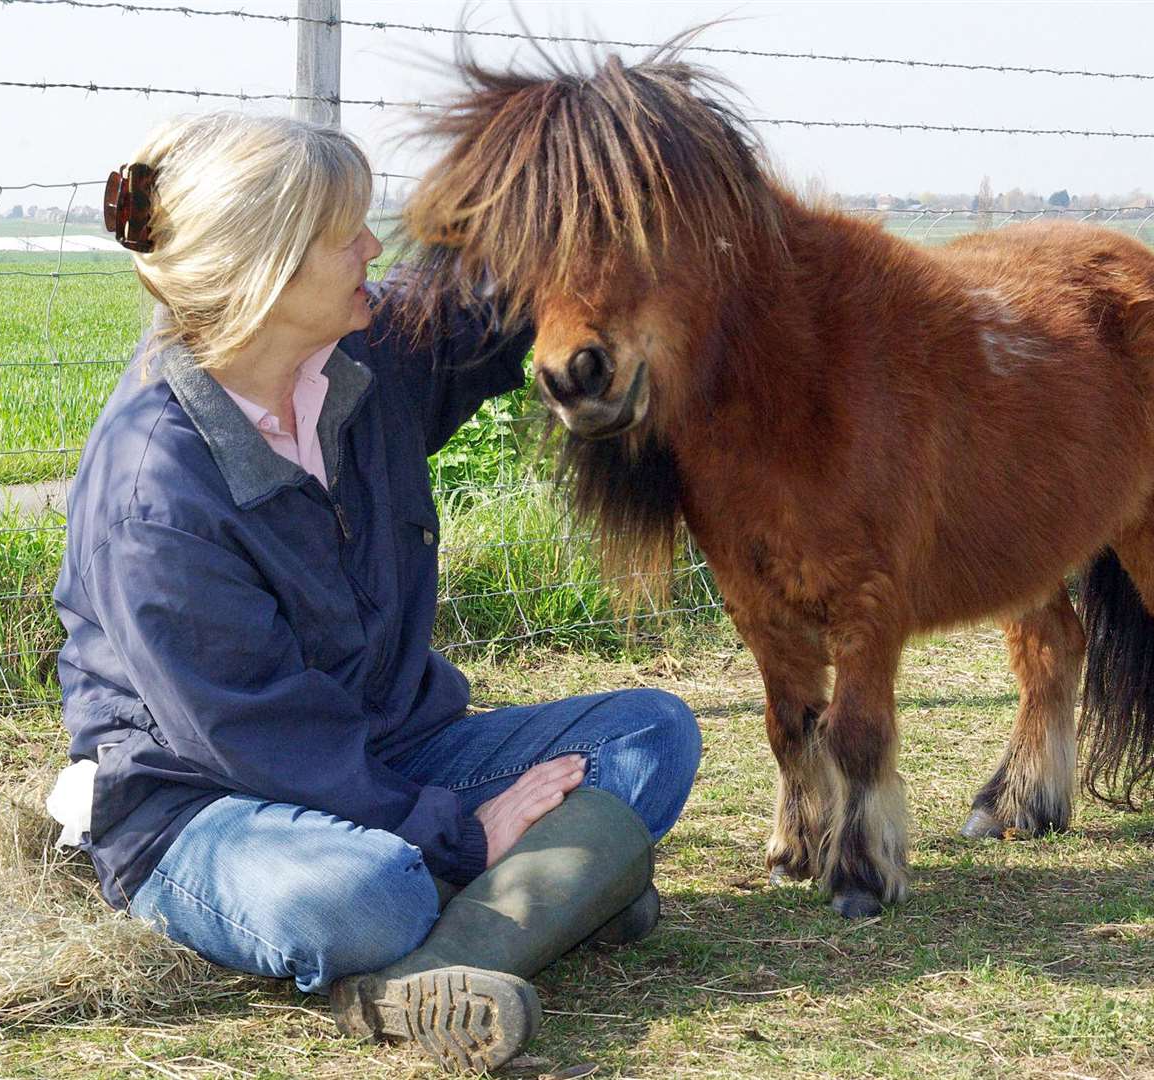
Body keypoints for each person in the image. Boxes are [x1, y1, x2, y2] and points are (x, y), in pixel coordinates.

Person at [49, 112, 701, 1073]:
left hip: (397, 746)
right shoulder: (159, 490)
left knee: (650, 736)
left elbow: (498, 306)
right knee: (365, 895)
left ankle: (456, 953)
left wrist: (589, 187)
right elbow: (262, 738)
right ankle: (535, 904)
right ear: (267, 268)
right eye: (344, 233)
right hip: (209, 803)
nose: (372, 246)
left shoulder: (365, 359)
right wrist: (460, 833)